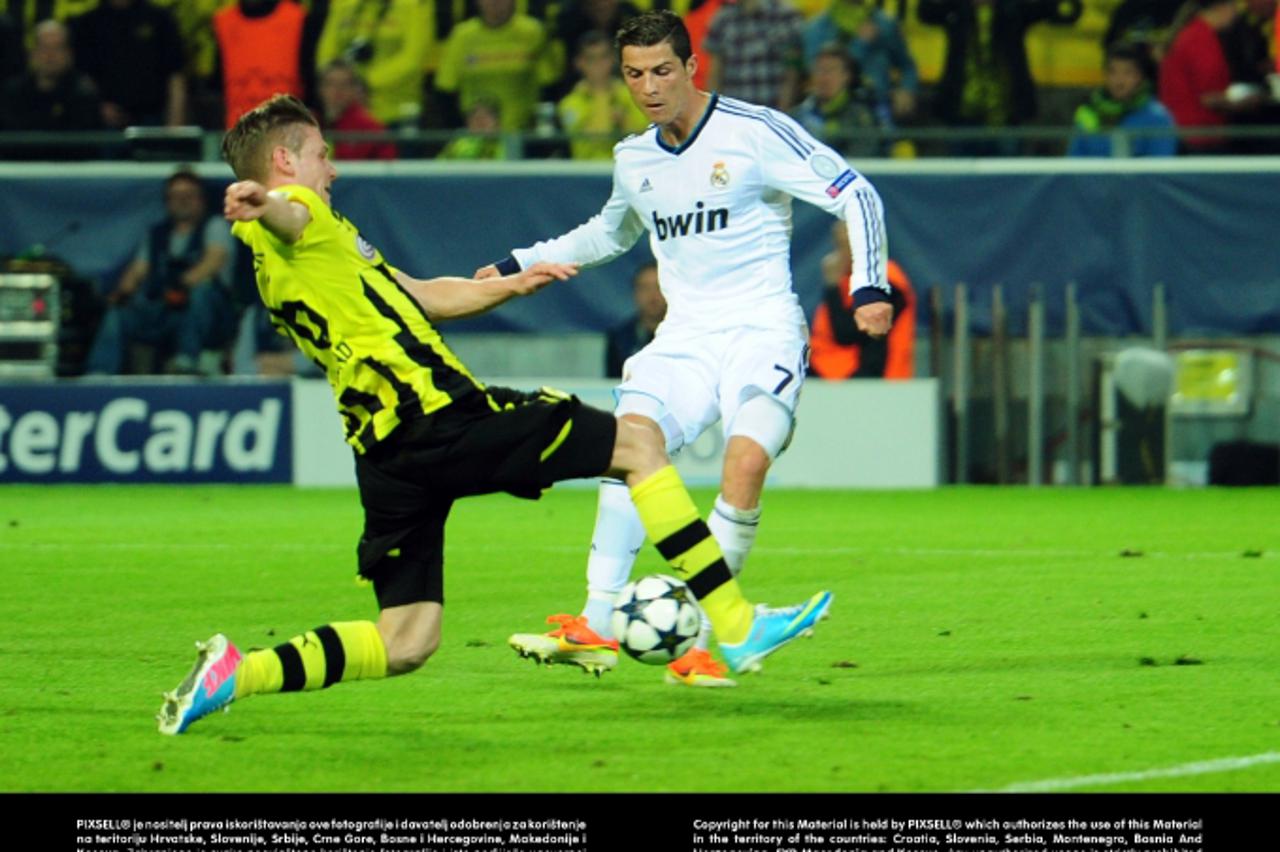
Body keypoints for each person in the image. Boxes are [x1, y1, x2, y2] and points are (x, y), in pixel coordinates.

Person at [156, 93, 832, 735]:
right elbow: (289, 211)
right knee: (636, 446)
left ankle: (238, 675)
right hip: (439, 417)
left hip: (386, 455)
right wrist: (263, 201)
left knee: (407, 640)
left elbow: (419, 295)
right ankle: (735, 624)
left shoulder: (296, 254)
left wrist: (512, 283)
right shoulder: (295, 210)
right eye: (321, 153)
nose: (331, 168)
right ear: (285, 161)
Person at [481, 11, 888, 688]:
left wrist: (866, 282)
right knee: (627, 445)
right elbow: (607, 234)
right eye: (635, 74)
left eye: (662, 70)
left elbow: (855, 192)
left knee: (746, 461)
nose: (649, 87)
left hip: (760, 329)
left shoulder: (754, 132)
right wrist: (522, 259)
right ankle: (594, 623)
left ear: (693, 67)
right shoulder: (634, 158)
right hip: (684, 338)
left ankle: (708, 635)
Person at [85, 169, 238, 376]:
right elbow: (138, 269)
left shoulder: (215, 225)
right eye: (176, 196)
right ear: (167, 201)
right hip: (165, 310)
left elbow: (213, 261)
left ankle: (187, 361)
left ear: (201, 200)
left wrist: (180, 284)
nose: (182, 201)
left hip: (208, 314)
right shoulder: (157, 234)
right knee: (119, 313)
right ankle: (99, 373)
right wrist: (121, 294)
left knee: (202, 292)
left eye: (188, 195)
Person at [916, 0, 1082, 155]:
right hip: (962, 117)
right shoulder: (956, 10)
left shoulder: (1013, 10)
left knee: (1008, 182)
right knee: (963, 182)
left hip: (1005, 119)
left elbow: (1049, 7)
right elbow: (925, 12)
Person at [434, 0, 563, 132]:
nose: (495, 3)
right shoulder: (462, 35)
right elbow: (446, 89)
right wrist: (463, 127)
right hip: (475, 135)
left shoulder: (532, 32)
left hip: (522, 135)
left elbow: (549, 86)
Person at [810, 222, 914, 380]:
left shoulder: (887, 281)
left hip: (878, 384)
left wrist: (832, 287)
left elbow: (847, 333)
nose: (840, 254)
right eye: (838, 244)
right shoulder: (846, 280)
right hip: (835, 378)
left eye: (847, 244)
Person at [1158, 0, 1259, 153]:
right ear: (1221, 7)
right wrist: (1249, 102)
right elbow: (1209, 98)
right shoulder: (1199, 39)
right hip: (1198, 138)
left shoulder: (1194, 33)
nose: (1236, 14)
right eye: (1234, 7)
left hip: (1190, 134)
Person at [314, 0, 432, 130]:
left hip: (395, 113)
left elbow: (412, 59)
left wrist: (364, 82)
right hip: (345, 113)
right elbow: (326, 56)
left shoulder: (413, 6)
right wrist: (342, 83)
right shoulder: (343, 6)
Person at [67, 0, 186, 127]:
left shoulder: (160, 19)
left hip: (153, 118)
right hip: (102, 125)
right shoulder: (88, 23)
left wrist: (175, 125)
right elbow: (81, 76)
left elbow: (175, 76)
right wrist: (97, 107)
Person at [802, 0, 919, 125]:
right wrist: (860, 44)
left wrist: (907, 89)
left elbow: (907, 67)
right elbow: (816, 72)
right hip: (829, 113)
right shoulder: (817, 29)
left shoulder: (884, 24)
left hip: (878, 110)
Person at [1068, 41, 1177, 158]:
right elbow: (1075, 162)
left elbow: (1160, 169)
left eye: (1127, 73)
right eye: (1112, 72)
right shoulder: (1088, 112)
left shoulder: (1158, 118)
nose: (1119, 81)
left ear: (1139, 77)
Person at [558, 29, 649, 160]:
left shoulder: (632, 95)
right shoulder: (570, 103)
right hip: (585, 173)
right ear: (579, 63)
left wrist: (624, 122)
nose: (598, 65)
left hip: (625, 169)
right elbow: (592, 139)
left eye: (603, 57)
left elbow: (646, 136)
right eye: (591, 59)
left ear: (612, 59)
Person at [0, 19, 101, 137]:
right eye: (44, 48)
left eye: (57, 48)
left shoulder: (83, 93)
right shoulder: (13, 92)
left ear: (69, 54)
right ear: (32, 53)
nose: (50, 56)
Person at [702, 0, 807, 111]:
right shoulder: (723, 19)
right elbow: (715, 74)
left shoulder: (786, 16)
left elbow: (792, 73)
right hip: (735, 113)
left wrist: (782, 114)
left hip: (773, 111)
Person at [789, 43, 883, 159]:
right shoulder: (795, 116)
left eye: (831, 70)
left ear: (846, 76)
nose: (824, 77)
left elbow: (863, 155)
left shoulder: (860, 117)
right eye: (819, 70)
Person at [317, 59, 398, 161]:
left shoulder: (370, 128)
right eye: (331, 84)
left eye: (344, 84)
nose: (337, 90)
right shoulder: (308, 123)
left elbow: (388, 169)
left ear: (354, 89)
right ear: (320, 89)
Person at [605, 261, 666, 378]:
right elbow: (612, 384)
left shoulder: (684, 334)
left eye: (659, 287)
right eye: (645, 288)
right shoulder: (619, 338)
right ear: (635, 293)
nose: (652, 295)